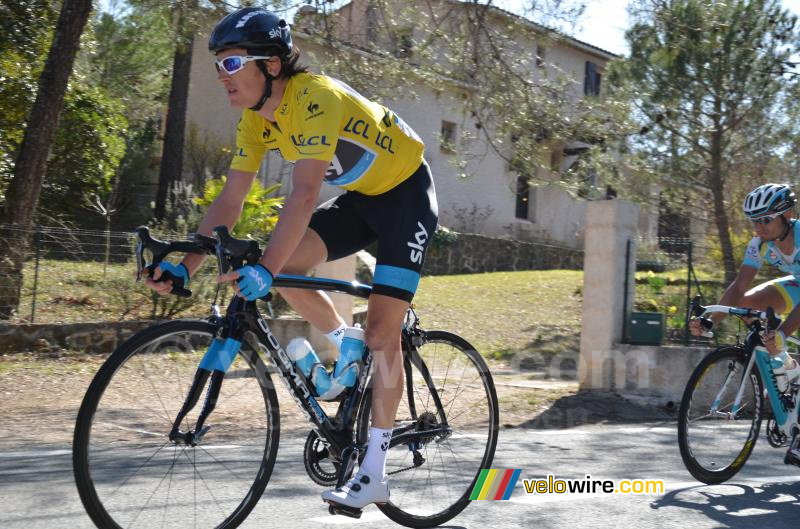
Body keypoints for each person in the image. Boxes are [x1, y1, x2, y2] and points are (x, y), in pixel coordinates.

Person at [144, 7, 438, 510]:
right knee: (283, 269)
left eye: (233, 64)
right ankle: (342, 341)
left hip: (406, 197)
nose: (222, 76)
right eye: (219, 65)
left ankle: (374, 470)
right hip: (360, 201)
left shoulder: (316, 98)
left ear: (272, 65)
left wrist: (265, 268)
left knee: (382, 332)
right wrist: (184, 263)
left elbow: (303, 195)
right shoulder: (255, 122)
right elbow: (230, 200)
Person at [689, 183, 800, 465]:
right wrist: (710, 320)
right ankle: (784, 367)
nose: (758, 226)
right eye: (754, 220)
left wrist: (782, 334)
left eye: (765, 219)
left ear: (787, 215)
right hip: (797, 284)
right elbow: (739, 287)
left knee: (778, 335)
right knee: (748, 305)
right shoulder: (759, 244)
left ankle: (784, 361)